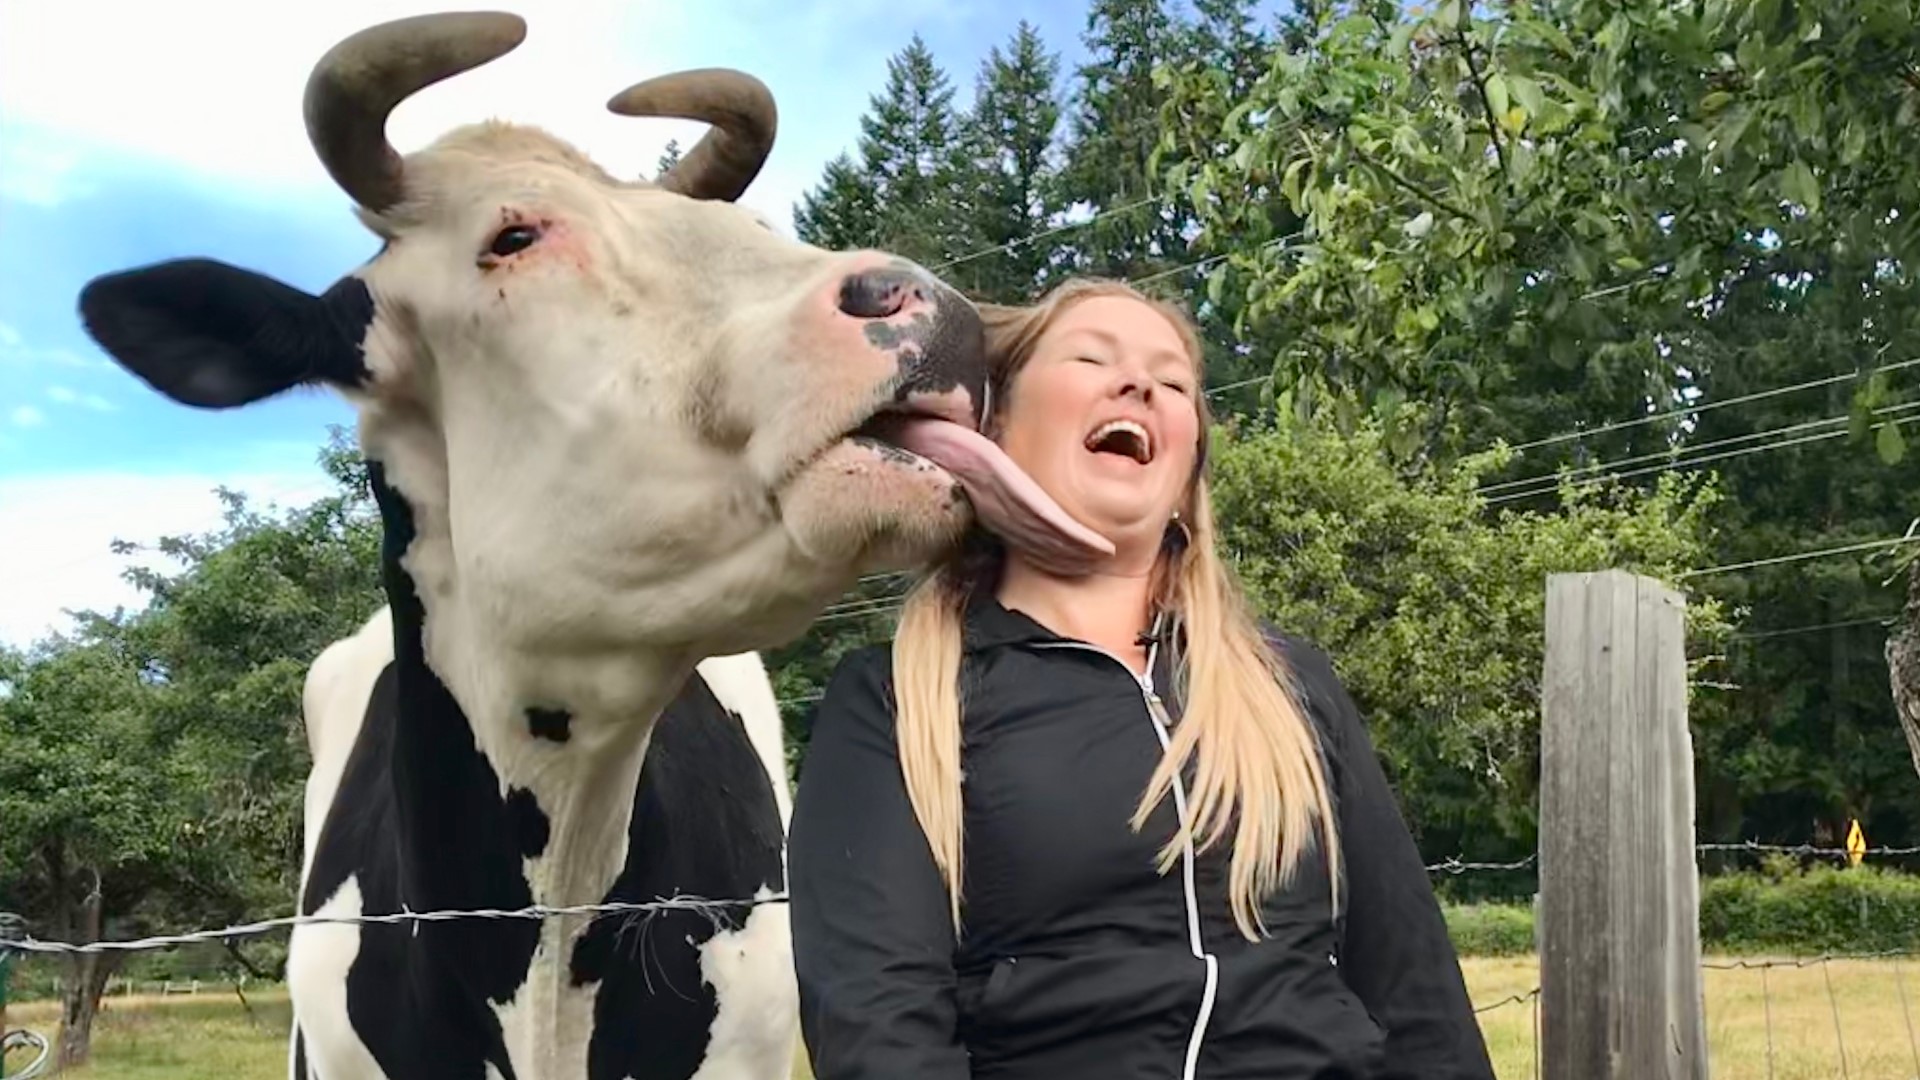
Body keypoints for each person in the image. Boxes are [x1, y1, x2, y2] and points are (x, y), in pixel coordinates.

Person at [786, 278, 1494, 1080]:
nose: (1140, 384)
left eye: (1174, 381)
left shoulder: (1290, 683)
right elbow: (880, 1031)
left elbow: (1415, 989)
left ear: (1189, 470)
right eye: (1092, 358)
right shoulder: (895, 700)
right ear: (997, 425)